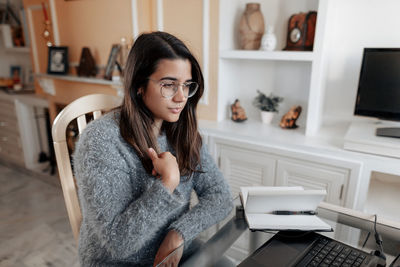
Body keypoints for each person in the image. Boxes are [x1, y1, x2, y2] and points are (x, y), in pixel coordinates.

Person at [73, 31, 233, 266]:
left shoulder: (183, 131)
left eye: (186, 85)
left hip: (176, 253)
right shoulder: (100, 141)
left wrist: (178, 233)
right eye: (169, 85)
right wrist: (167, 183)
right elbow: (119, 243)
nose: (181, 97)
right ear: (139, 85)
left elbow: (221, 197)